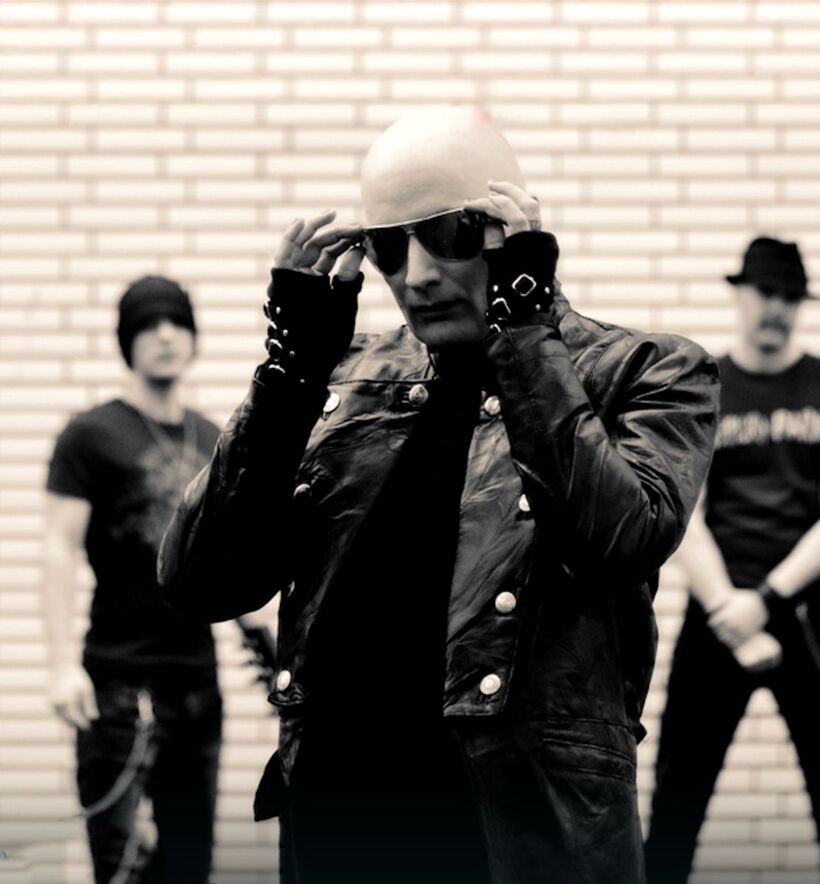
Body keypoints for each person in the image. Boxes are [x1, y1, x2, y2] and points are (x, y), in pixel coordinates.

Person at [157, 104, 719, 883]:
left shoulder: (646, 371)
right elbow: (200, 581)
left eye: (450, 235)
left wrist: (525, 335)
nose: (417, 276)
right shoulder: (343, 378)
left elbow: (616, 541)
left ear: (511, 229)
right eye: (389, 247)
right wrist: (288, 378)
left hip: (521, 842)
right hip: (338, 829)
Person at [645, 237, 820, 884]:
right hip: (718, 617)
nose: (776, 307)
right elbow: (684, 511)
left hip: (808, 620)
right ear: (741, 295)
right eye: (765, 292)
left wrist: (766, 602)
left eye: (789, 297)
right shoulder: (704, 388)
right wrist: (728, 607)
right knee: (675, 812)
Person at [44, 277, 224, 884]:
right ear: (127, 341)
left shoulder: (214, 437)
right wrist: (60, 665)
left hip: (195, 681)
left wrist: (268, 636)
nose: (165, 335)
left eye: (177, 322)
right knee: (118, 865)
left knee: (189, 864)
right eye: (148, 324)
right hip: (118, 681)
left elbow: (226, 559)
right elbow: (59, 547)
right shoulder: (91, 434)